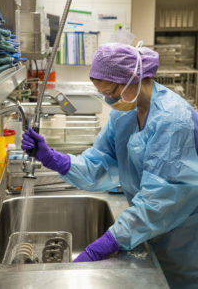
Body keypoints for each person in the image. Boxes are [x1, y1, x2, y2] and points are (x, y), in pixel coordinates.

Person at [22, 41, 198, 289]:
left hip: (182, 238)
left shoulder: (172, 120)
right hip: (146, 228)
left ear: (131, 78)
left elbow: (160, 201)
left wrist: (107, 242)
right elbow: (100, 163)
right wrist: (53, 158)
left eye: (112, 93)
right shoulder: (124, 113)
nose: (109, 100)